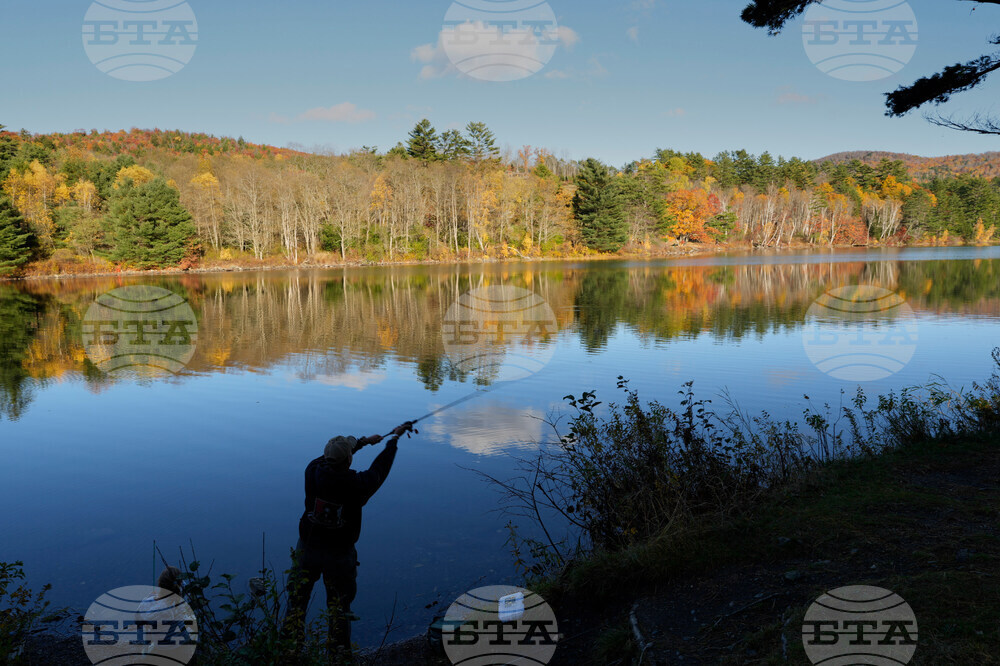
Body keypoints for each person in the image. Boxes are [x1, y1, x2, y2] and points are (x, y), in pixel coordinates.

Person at [282, 422, 414, 656]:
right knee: (339, 608)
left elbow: (334, 456)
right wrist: (392, 441)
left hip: (307, 548)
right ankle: (338, 654)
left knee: (296, 601)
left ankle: (289, 650)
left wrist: (361, 442)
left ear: (325, 456)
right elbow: (380, 470)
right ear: (349, 461)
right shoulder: (358, 485)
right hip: (339, 555)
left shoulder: (312, 469)